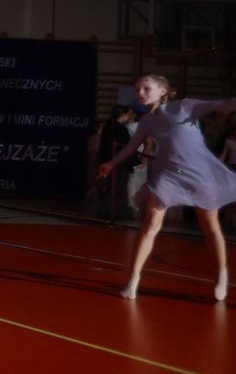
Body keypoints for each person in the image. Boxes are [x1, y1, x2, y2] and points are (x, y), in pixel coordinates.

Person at [97, 75, 236, 302]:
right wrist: (110, 164)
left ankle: (221, 272)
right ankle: (133, 280)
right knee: (150, 224)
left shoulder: (183, 106)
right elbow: (131, 146)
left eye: (146, 88)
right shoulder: (147, 121)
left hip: (199, 173)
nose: (140, 93)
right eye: (137, 89)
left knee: (210, 225)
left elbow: (220, 105)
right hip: (168, 174)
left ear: (162, 91)